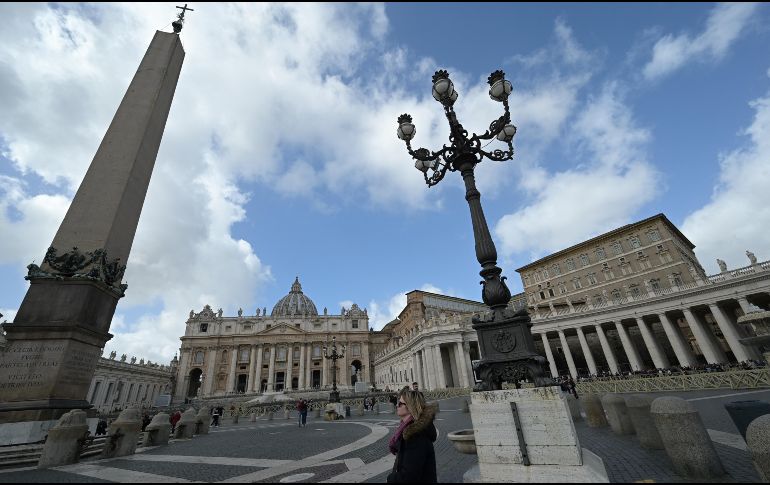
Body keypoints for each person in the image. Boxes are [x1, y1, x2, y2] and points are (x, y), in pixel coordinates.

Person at [387, 389, 437, 483]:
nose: (397, 405)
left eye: (401, 403)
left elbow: (409, 476)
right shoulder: (408, 430)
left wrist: (390, 479)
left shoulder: (415, 435)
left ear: (410, 407)